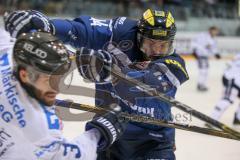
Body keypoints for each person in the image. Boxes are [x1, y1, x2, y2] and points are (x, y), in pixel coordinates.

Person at [4, 9, 189, 160]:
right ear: (139, 36)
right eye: (151, 44)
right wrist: (48, 26)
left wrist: (114, 74)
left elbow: (151, 83)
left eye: (163, 46)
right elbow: (79, 30)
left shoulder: (175, 64)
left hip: (152, 144)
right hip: (108, 134)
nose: (155, 52)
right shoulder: (120, 32)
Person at [0, 31, 125, 160]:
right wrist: (100, 132)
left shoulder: (7, 57)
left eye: (60, 77)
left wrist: (77, 59)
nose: (57, 88)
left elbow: (26, 41)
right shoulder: (41, 129)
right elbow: (75, 156)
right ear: (24, 75)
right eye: (48, 79)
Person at [206, 54, 240, 127]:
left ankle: (238, 118)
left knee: (227, 99)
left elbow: (231, 62)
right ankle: (212, 119)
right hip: (233, 78)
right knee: (227, 99)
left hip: (230, 76)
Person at [192, 26, 221, 91]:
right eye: (215, 31)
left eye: (217, 31)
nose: (216, 32)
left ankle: (202, 84)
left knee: (206, 71)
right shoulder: (203, 36)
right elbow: (195, 43)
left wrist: (216, 54)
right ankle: (200, 85)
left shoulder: (214, 39)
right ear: (211, 30)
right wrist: (194, 51)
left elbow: (213, 48)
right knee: (203, 71)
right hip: (200, 56)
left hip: (205, 57)